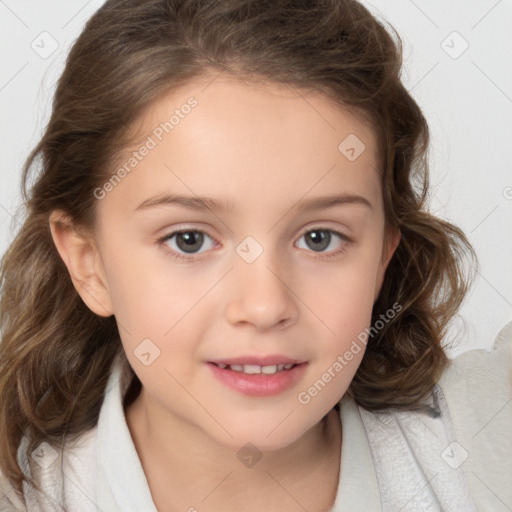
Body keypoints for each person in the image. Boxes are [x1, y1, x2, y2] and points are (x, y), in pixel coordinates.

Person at [1, 0, 511, 511]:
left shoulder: (483, 445)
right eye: (189, 240)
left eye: (319, 238)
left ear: (381, 257)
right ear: (88, 263)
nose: (265, 306)